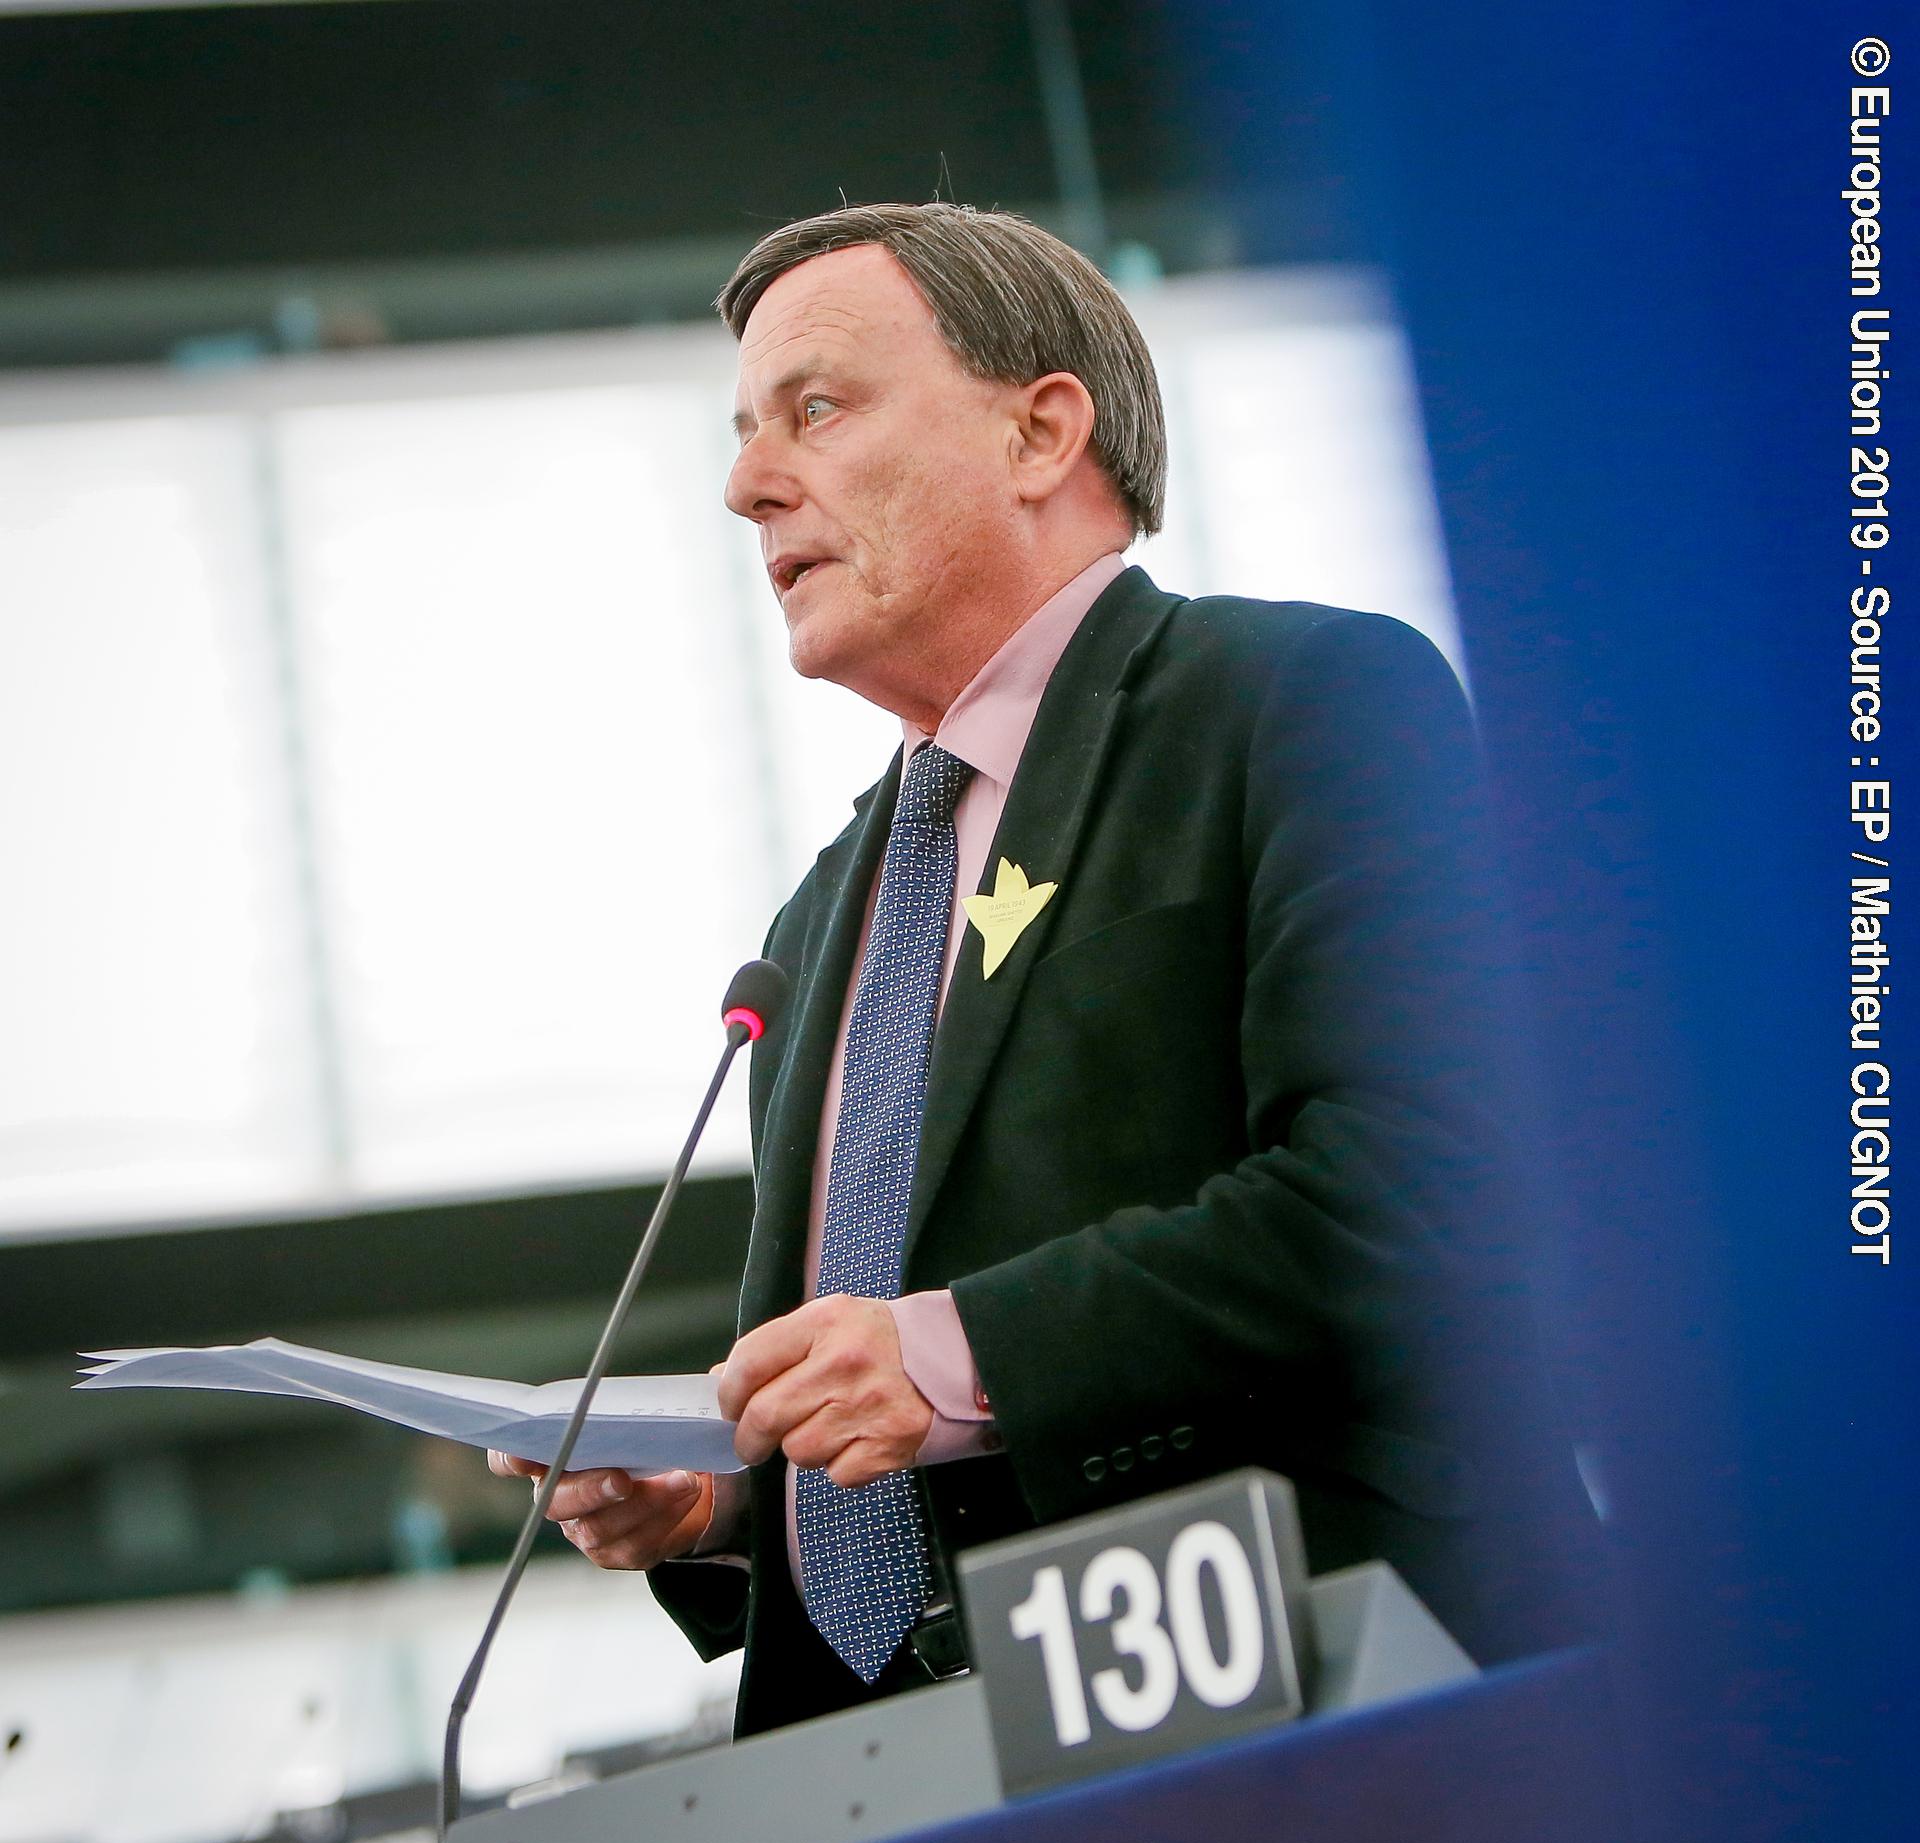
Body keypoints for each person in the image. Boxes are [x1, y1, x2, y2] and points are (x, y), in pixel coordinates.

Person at [491, 202, 1588, 1736]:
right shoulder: (822, 921)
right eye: (742, 436)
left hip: (1344, 1715)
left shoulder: (1302, 706)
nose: (748, 487)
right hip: (907, 1787)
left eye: (815, 408)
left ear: (1039, 431)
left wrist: (955, 1356)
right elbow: (906, 1394)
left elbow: (1428, 1184)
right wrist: (733, 1499)